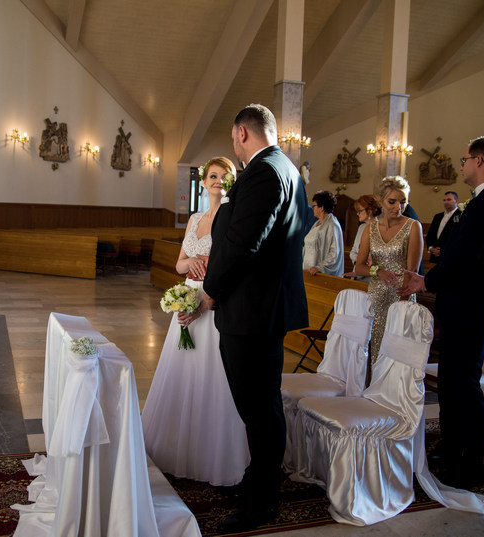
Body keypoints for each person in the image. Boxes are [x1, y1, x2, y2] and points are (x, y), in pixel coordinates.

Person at [201, 104, 308, 532]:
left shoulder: (264, 172)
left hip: (253, 310)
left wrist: (210, 290)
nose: (234, 145)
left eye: (233, 139)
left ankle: (261, 503)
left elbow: (243, 242)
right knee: (260, 406)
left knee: (260, 409)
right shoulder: (286, 168)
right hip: (261, 307)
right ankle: (255, 481)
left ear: (242, 133)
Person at [399, 135, 484, 489]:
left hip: (470, 308)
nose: (461, 165)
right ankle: (452, 449)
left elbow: (463, 257)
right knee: (453, 384)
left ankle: (469, 463)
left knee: (463, 386)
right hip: (466, 306)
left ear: (480, 161)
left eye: (465, 159)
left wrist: (426, 281)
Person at [141, 157, 249, 486]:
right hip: (188, 295)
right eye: (212, 175)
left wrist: (209, 268)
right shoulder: (194, 219)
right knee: (183, 370)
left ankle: (212, 453)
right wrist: (191, 263)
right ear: (203, 182)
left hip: (215, 301)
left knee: (211, 374)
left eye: (224, 176)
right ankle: (177, 446)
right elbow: (178, 265)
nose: (218, 180)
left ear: (232, 182)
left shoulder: (235, 218)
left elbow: (236, 264)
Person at [353, 176, 423, 370]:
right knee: (374, 347)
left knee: (395, 353)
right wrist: (378, 271)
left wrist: (402, 305)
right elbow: (359, 267)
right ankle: (371, 386)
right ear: (381, 200)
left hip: (401, 295)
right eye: (392, 202)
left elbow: (412, 271)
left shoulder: (413, 227)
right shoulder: (370, 229)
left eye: (403, 202)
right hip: (376, 297)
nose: (398, 207)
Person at [302, 190, 344, 277]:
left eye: (314, 206)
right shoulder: (316, 223)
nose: (312, 208)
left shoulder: (332, 225)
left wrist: (320, 267)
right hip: (307, 270)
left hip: (317, 273)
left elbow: (335, 252)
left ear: (322, 207)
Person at [346, 194, 381, 280]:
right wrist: (359, 261)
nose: (357, 214)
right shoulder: (361, 228)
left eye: (360, 211)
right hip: (357, 272)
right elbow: (353, 252)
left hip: (372, 277)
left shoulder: (381, 229)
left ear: (370, 211)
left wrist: (367, 263)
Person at [425, 191, 461, 264]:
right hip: (435, 256)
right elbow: (430, 235)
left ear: (456, 201)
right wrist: (431, 248)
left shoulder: (461, 215)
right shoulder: (438, 216)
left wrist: (444, 250)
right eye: (444, 200)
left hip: (451, 257)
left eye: (449, 200)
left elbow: (458, 237)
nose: (446, 202)